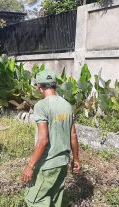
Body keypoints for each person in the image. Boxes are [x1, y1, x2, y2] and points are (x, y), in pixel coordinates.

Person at [22, 70, 81, 207]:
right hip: (62, 163)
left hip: (47, 164)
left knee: (34, 200)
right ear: (55, 85)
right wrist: (76, 159)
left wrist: (30, 166)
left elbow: (43, 140)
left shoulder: (41, 106)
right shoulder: (67, 105)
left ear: (39, 87)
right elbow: (73, 135)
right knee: (54, 199)